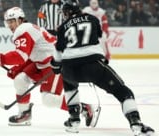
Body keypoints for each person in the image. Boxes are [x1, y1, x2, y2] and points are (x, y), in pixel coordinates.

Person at [51, 0, 155, 135]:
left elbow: (57, 56)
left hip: (70, 68)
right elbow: (99, 38)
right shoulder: (93, 19)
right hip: (93, 66)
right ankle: (136, 123)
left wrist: (56, 67)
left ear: (67, 12)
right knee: (123, 92)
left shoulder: (62, 27)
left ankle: (74, 119)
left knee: (68, 81)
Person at [0, 7, 99, 127]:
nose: (10, 25)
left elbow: (20, 56)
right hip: (41, 62)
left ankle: (85, 108)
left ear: (20, 20)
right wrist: (18, 68)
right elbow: (31, 55)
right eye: (8, 22)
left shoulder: (23, 29)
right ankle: (24, 113)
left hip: (54, 64)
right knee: (20, 80)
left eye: (12, 21)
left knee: (48, 100)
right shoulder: (28, 28)